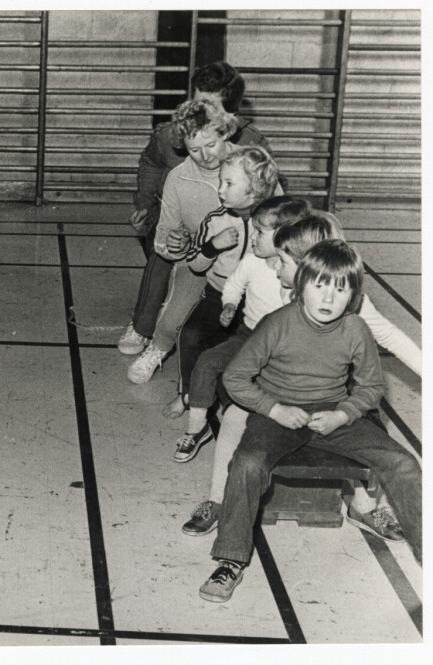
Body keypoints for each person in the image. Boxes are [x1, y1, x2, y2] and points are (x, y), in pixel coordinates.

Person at [199, 239, 421, 602]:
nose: (329, 299)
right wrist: (273, 409)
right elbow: (235, 378)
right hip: (278, 414)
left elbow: (371, 386)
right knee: (247, 462)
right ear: (300, 284)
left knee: (404, 463)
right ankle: (230, 560)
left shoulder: (356, 330)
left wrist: (343, 413)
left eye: (340, 288)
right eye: (319, 285)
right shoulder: (277, 324)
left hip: (334, 414)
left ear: (353, 295)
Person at [119, 61, 274, 356]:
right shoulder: (171, 135)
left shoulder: (252, 144)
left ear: (230, 117)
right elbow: (151, 164)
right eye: (196, 100)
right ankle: (142, 326)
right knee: (163, 252)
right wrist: (144, 202)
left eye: (209, 105)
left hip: (228, 228)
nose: (199, 112)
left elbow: (270, 192)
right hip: (181, 218)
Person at [170, 195, 308, 462]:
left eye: (260, 231)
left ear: (285, 236)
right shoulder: (251, 261)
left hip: (283, 344)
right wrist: (230, 305)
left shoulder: (296, 270)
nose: (252, 236)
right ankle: (196, 428)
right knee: (208, 362)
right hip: (248, 335)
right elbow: (234, 285)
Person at [123, 100, 242, 384]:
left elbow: (280, 217)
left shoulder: (251, 163)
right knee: (173, 319)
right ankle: (156, 349)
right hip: (202, 259)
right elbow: (164, 235)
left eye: (210, 145)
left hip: (249, 261)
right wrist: (173, 246)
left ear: (224, 132)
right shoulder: (178, 178)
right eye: (194, 149)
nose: (204, 156)